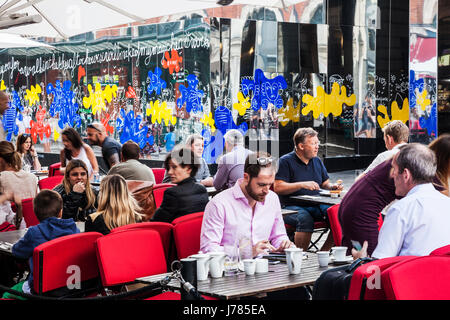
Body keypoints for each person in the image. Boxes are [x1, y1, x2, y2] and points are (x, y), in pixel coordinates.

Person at [352, 144, 450, 259]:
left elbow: (381, 263)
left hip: (411, 275)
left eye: (394, 169)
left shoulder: (401, 210)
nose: (392, 174)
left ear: (406, 175)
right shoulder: (447, 203)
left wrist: (362, 260)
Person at [201, 151, 293, 255]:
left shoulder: (272, 198)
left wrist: (284, 244)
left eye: (270, 184)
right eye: (261, 185)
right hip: (230, 268)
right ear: (246, 177)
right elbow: (208, 249)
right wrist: (247, 252)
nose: (266, 190)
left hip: (265, 266)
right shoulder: (218, 204)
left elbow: (278, 236)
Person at [274, 127, 343, 251]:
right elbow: (277, 187)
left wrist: (333, 186)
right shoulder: (285, 161)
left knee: (338, 215)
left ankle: (324, 252)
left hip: (316, 204)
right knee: (305, 219)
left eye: (318, 143)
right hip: (290, 206)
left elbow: (325, 183)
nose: (317, 147)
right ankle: (299, 256)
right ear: (301, 146)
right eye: (313, 143)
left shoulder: (317, 160)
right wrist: (301, 184)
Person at [3, 190, 79, 298]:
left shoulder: (34, 233)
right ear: (61, 212)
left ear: (35, 213)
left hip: (42, 289)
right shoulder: (74, 228)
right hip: (71, 284)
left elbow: (17, 252)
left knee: (7, 294)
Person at [151, 147, 209, 223]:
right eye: (169, 168)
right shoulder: (202, 189)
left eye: (174, 167)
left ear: (188, 169)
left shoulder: (172, 193)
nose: (169, 172)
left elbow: (156, 222)